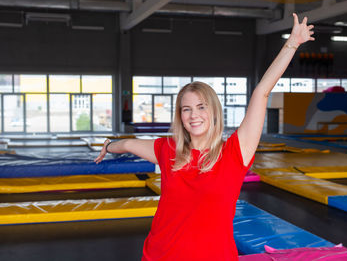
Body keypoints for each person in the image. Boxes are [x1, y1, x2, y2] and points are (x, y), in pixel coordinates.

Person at [94, 13, 314, 261]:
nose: (193, 115)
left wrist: (292, 44)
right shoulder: (168, 149)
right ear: (180, 115)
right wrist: (109, 146)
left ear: (213, 111)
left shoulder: (235, 153)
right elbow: (130, 144)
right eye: (186, 109)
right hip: (159, 255)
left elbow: (261, 92)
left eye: (201, 107)